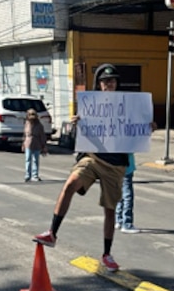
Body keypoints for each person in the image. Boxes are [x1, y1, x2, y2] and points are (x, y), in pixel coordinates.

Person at [33, 64, 146, 272]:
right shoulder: (91, 104)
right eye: (105, 81)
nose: (108, 84)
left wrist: (149, 127)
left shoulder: (127, 104)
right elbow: (84, 132)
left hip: (115, 165)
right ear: (99, 84)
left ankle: (107, 254)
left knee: (110, 210)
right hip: (93, 157)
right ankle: (52, 233)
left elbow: (139, 128)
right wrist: (77, 122)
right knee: (70, 184)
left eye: (112, 80)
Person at [115, 153, 140, 233]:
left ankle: (119, 220)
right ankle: (127, 224)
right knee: (128, 196)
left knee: (120, 195)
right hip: (126, 166)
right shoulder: (125, 141)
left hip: (115, 166)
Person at [22, 108, 48, 182]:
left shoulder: (39, 125)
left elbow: (42, 136)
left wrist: (44, 146)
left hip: (37, 143)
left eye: (33, 115)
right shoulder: (26, 123)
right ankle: (27, 175)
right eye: (30, 115)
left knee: (35, 160)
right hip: (28, 143)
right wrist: (23, 144)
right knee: (28, 160)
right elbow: (24, 135)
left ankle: (35, 175)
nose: (31, 117)